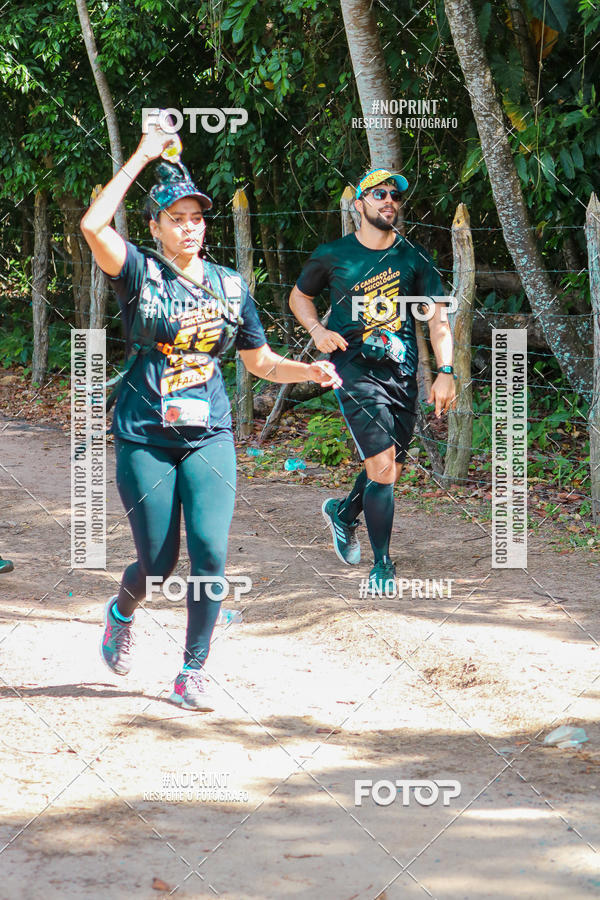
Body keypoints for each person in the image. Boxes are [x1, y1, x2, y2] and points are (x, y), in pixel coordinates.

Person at [80, 126, 340, 711]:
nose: (189, 226)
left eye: (196, 218)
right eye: (176, 218)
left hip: (209, 434)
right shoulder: (139, 273)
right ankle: (123, 610)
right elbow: (93, 227)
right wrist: (142, 157)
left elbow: (262, 363)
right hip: (144, 435)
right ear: (155, 227)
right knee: (159, 560)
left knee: (210, 554)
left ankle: (191, 671)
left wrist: (311, 371)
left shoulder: (229, 286)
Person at [289, 168, 455, 590]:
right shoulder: (333, 254)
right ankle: (382, 564)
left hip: (401, 371)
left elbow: (437, 317)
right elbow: (299, 295)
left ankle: (342, 514)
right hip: (353, 369)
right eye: (378, 193)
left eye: (394, 196)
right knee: (382, 467)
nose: (388, 201)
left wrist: (446, 372)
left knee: (390, 468)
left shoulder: (413, 257)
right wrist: (317, 331)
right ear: (359, 203)